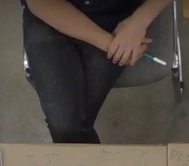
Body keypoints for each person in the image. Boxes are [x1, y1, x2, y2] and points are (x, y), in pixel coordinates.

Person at [22, 0, 173, 143]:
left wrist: (139, 21)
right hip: (52, 17)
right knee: (68, 126)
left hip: (114, 19)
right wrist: (110, 44)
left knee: (67, 127)